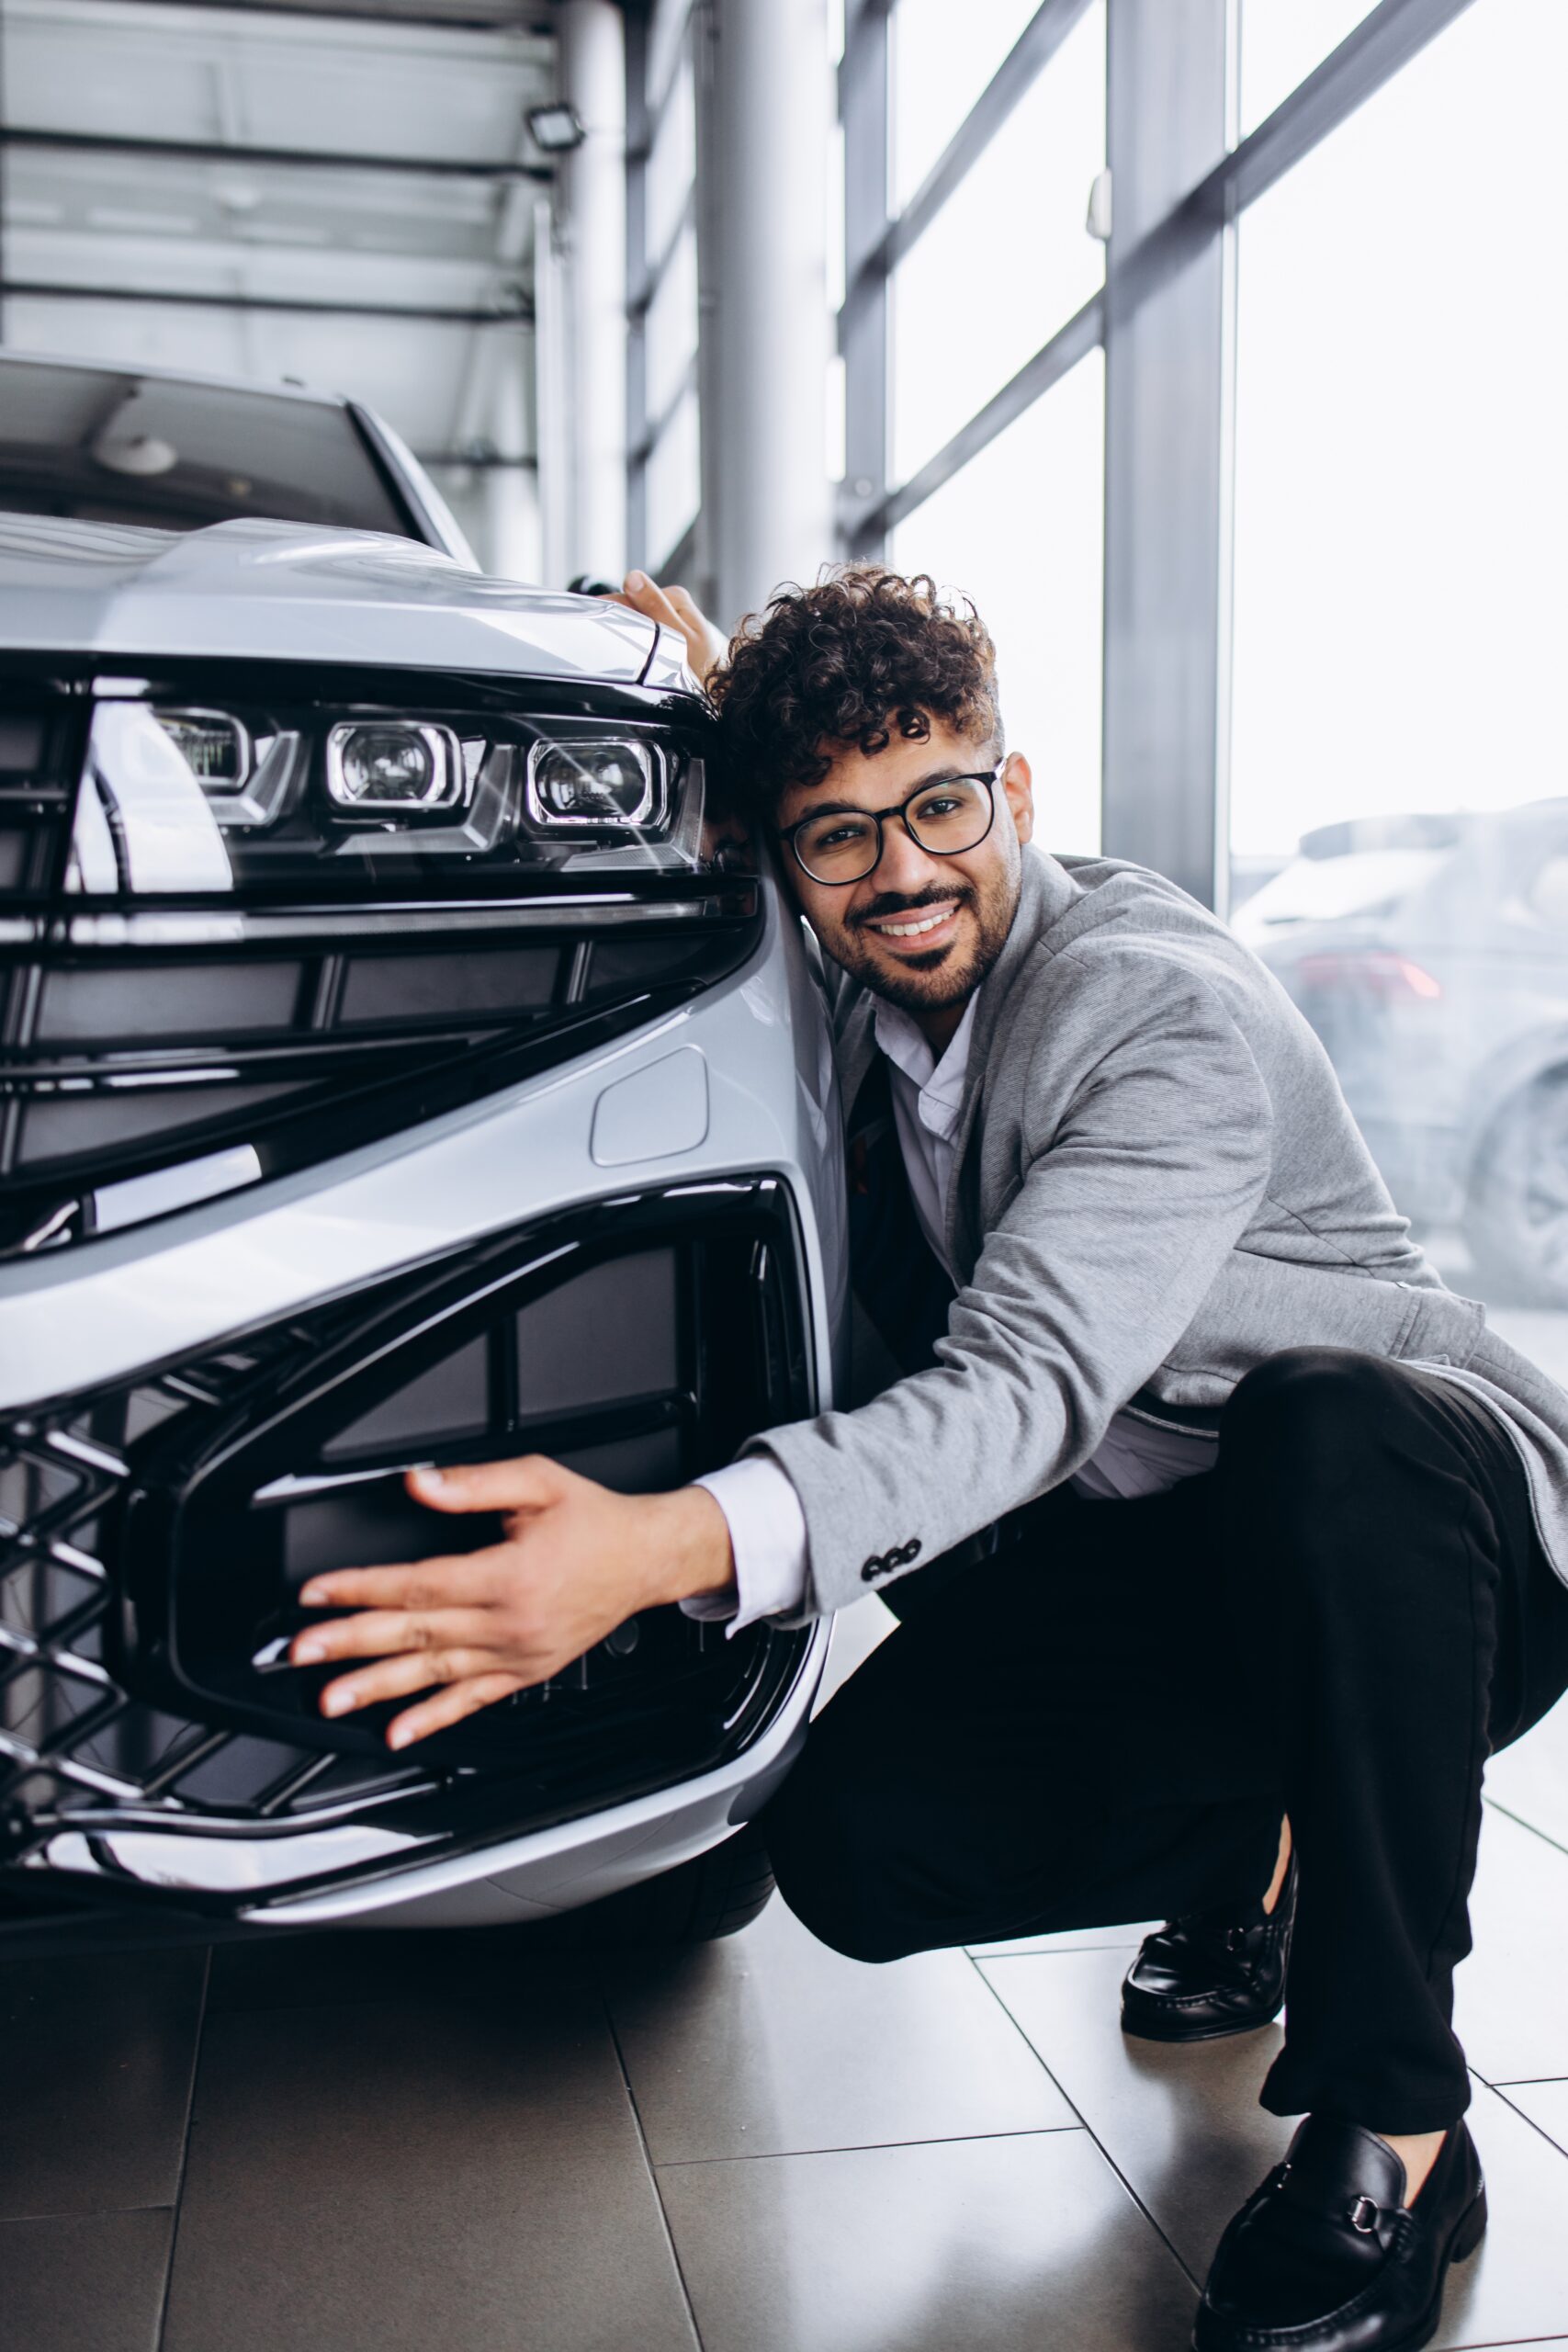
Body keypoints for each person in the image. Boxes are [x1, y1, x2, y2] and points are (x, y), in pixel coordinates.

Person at [289, 567, 1568, 2352]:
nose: (901, 869)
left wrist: (651, 1549)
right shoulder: (856, 993)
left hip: (1433, 1541)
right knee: (862, 1849)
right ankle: (1275, 1844)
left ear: (1014, 790)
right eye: (839, 835)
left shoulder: (1146, 1007)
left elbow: (1027, 1382)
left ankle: (1398, 2124)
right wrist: (699, 691)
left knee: (1318, 1422)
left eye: (942, 806)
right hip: (1170, 1551)